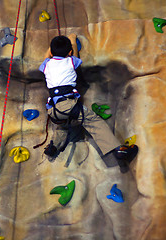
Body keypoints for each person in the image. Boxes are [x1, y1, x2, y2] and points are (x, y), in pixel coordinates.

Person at [39, 34, 138, 173]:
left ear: (50, 52)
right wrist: (73, 39)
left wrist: (51, 48)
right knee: (94, 123)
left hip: (53, 110)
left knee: (63, 126)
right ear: (70, 52)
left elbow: (45, 57)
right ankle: (118, 150)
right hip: (69, 105)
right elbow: (77, 57)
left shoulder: (46, 64)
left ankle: (53, 146)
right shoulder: (71, 61)